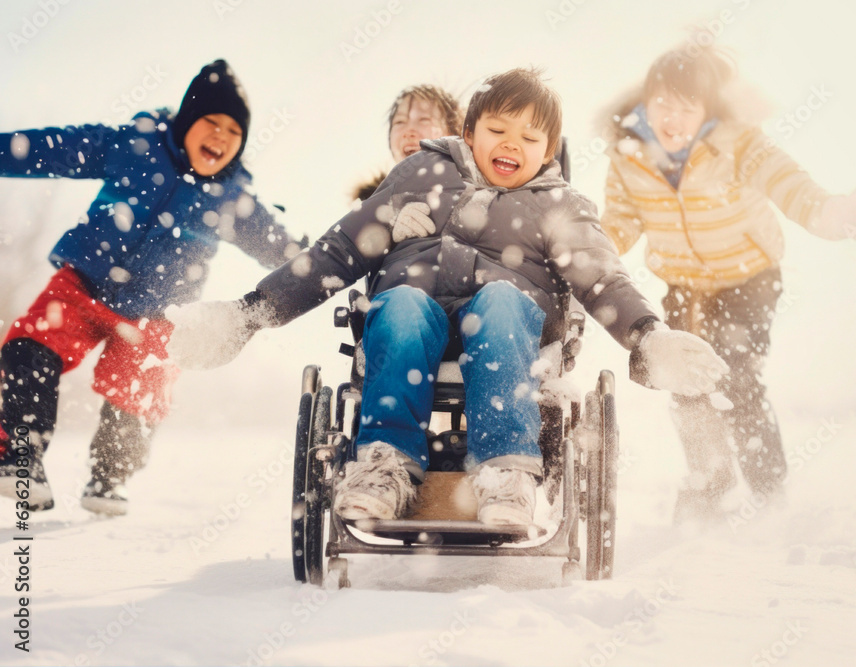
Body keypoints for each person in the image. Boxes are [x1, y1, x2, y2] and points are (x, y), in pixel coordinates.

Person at [166, 67, 728, 527]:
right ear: (470, 131)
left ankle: (505, 470)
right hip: (415, 312)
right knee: (401, 305)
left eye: (530, 138)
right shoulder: (420, 174)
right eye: (498, 130)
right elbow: (338, 250)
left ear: (548, 151)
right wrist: (251, 313)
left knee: (502, 301)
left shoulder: (560, 205)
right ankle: (385, 462)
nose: (512, 144)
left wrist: (648, 335)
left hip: (506, 328)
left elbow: (603, 277)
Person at [0, 59, 305, 515]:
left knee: (141, 392)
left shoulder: (232, 198)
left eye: (234, 131)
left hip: (158, 314)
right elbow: (56, 146)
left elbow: (283, 248)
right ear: (186, 121)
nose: (221, 137)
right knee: (30, 349)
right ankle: (20, 458)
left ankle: (110, 477)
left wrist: (321, 259)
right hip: (85, 284)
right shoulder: (134, 146)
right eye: (211, 122)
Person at [599, 46, 856, 522]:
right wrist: (589, 251)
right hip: (684, 284)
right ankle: (711, 481)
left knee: (738, 376)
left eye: (687, 108)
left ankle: (768, 489)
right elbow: (620, 223)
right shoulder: (629, 157)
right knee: (685, 380)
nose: (672, 118)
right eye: (663, 104)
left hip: (748, 278)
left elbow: (792, 186)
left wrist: (833, 214)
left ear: (708, 111)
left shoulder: (740, 144)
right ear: (646, 102)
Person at [352, 84, 463, 202]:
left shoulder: (469, 196)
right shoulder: (373, 206)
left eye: (424, 119)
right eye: (400, 122)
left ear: (452, 134)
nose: (409, 131)